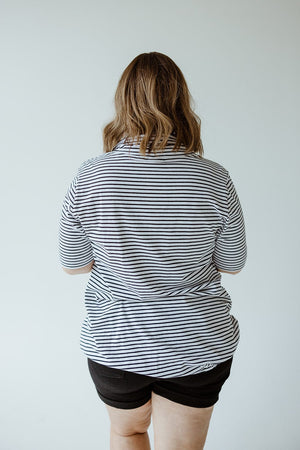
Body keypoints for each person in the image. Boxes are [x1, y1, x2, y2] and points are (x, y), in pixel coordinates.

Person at [58, 51, 247, 450]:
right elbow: (233, 263)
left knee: (128, 431)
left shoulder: (90, 175)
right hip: (195, 344)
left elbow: (73, 264)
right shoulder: (214, 178)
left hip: (116, 343)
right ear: (181, 101)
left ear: (123, 101)